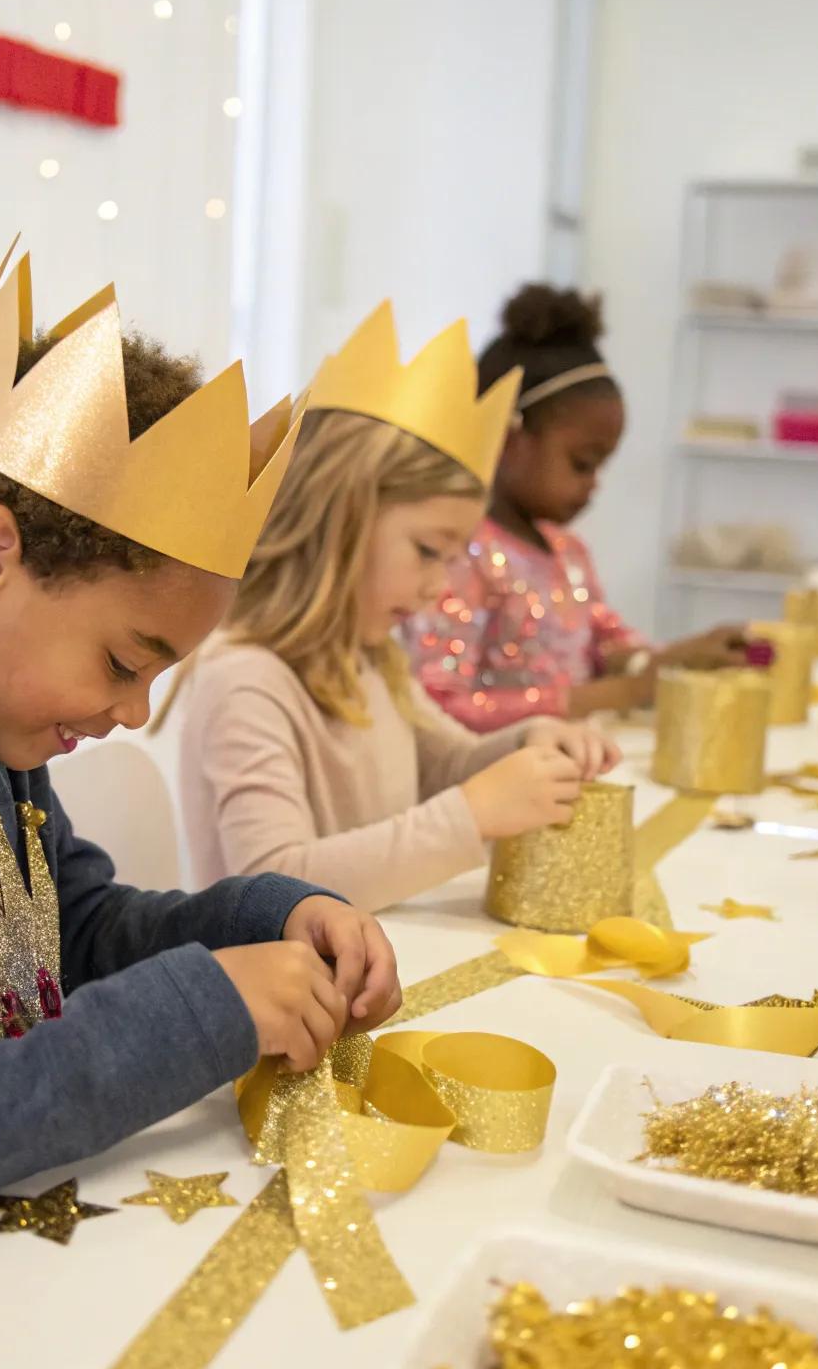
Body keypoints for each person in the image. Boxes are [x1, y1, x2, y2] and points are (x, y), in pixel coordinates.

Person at [0, 242, 400, 1329]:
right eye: (127, 661)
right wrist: (202, 1011)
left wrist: (272, 915)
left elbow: (80, 928)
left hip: (12, 1253)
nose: (133, 714)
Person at [168, 302, 619, 914]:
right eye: (428, 551)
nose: (439, 586)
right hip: (271, 989)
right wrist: (474, 814)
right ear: (339, 521)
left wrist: (524, 744)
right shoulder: (246, 681)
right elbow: (273, 880)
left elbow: (445, 764)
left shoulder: (369, 657)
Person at [411, 285, 746, 730]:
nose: (593, 485)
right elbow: (442, 707)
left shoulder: (567, 552)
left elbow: (607, 644)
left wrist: (680, 657)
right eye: (582, 464)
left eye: (600, 467)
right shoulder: (462, 555)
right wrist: (621, 693)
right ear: (509, 439)